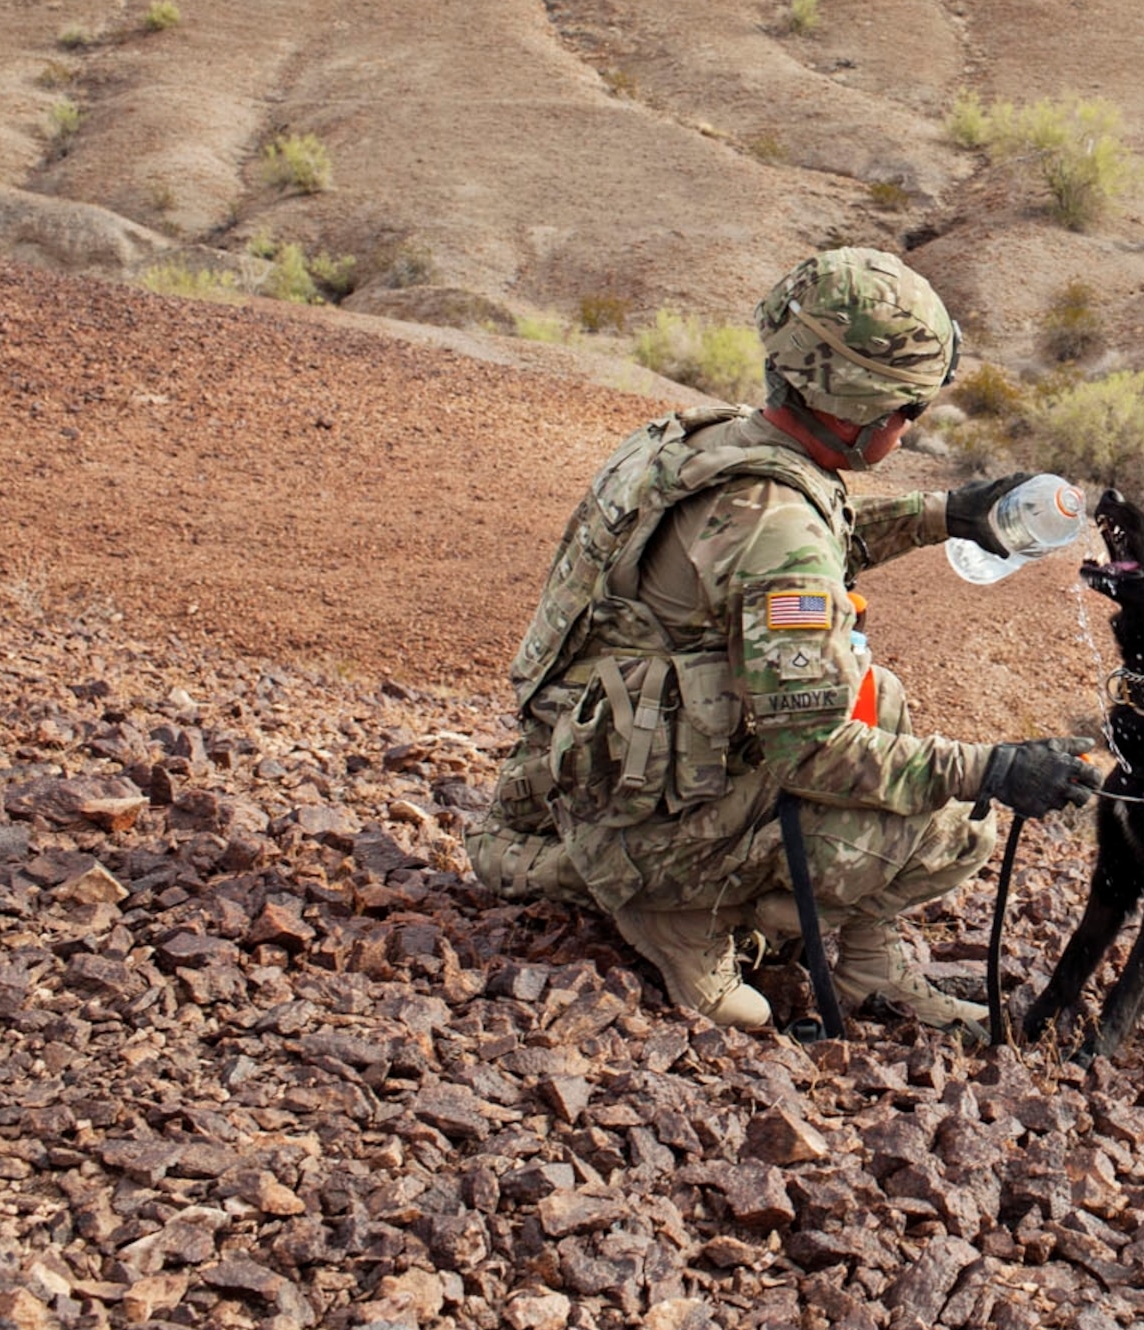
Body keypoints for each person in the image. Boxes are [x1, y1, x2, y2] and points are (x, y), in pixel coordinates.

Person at [465, 246, 1097, 1033]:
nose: (906, 428)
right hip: (630, 821)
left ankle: (870, 968)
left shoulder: (704, 442)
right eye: (908, 411)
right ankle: (681, 912)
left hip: (574, 767)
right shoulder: (777, 522)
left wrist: (942, 516)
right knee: (952, 827)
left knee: (883, 697)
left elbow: (800, 546)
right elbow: (814, 748)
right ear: (860, 410)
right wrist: (991, 770)